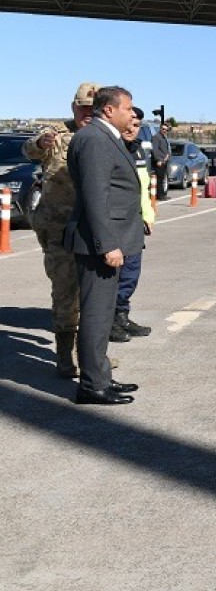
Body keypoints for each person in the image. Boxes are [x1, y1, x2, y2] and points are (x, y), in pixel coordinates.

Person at [63, 86, 142, 405]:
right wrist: (107, 244)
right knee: (96, 315)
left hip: (108, 238)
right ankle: (92, 386)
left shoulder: (103, 136)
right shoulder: (95, 139)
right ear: (109, 110)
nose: (132, 114)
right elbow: (96, 197)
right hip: (99, 243)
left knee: (103, 312)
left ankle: (101, 377)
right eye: (128, 108)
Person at [23, 82, 98, 379]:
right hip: (59, 226)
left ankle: (91, 357)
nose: (87, 114)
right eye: (82, 108)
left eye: (93, 109)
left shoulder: (104, 135)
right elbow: (27, 149)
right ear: (73, 107)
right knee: (65, 292)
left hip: (95, 228)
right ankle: (65, 358)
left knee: (94, 295)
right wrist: (40, 143)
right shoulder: (55, 135)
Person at [111, 107, 155, 342]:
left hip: (135, 222)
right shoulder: (111, 148)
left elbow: (143, 188)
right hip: (117, 222)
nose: (131, 129)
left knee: (130, 273)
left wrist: (148, 215)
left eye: (137, 125)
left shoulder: (138, 150)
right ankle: (109, 322)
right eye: (129, 123)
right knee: (113, 276)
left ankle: (121, 316)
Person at [151, 120, 171, 201]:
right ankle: (160, 196)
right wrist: (158, 160)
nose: (165, 131)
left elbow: (165, 149)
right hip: (159, 161)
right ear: (160, 128)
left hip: (164, 161)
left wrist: (167, 156)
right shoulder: (156, 137)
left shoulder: (164, 137)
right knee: (159, 179)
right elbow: (154, 150)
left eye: (166, 130)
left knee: (162, 178)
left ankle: (162, 194)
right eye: (163, 129)